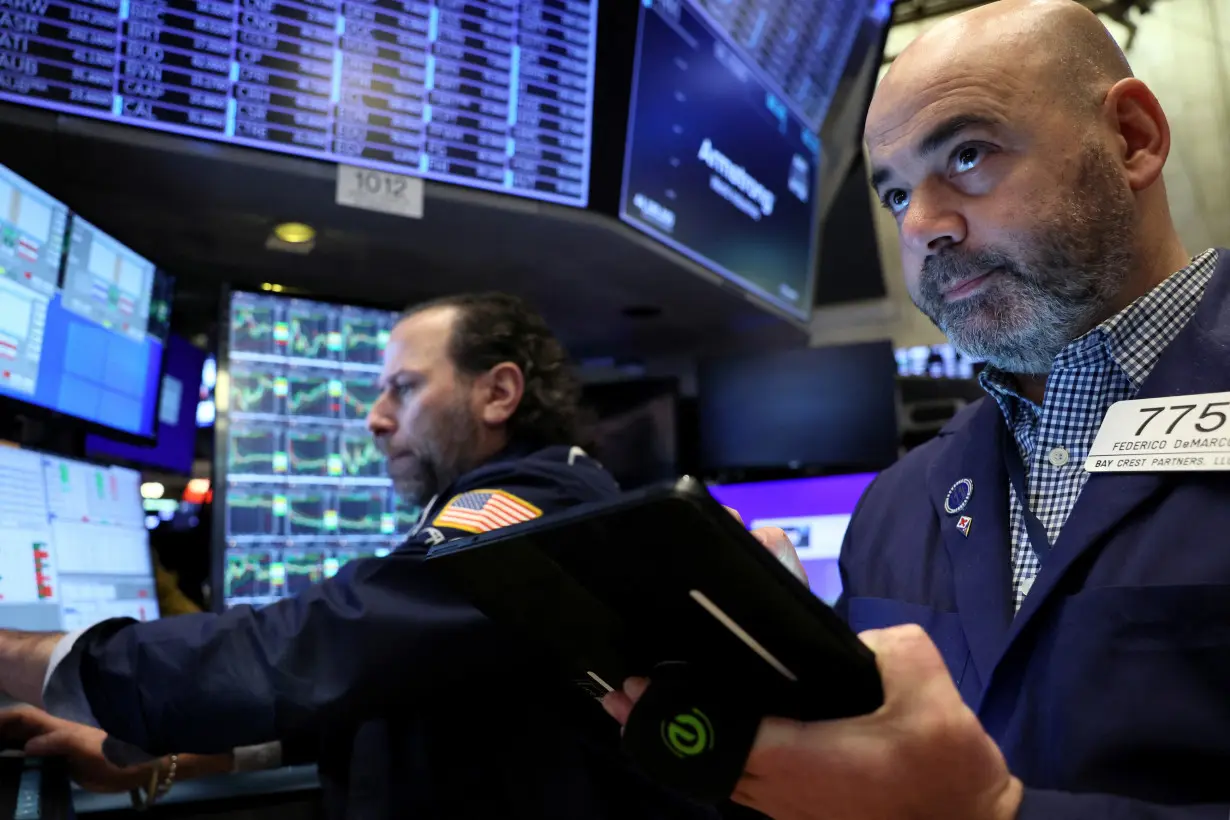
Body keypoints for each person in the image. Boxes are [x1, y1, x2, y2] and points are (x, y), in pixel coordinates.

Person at [605, 0, 1230, 816]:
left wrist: (993, 813)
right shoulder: (895, 509)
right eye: (896, 196)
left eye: (967, 154)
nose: (924, 227)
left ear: (1133, 139)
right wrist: (786, 688)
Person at [0, 292, 715, 819]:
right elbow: (404, 705)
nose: (376, 418)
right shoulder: (554, 494)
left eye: (402, 388)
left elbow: (313, 644)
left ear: (498, 392)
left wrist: (39, 660)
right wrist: (161, 754)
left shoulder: (526, 518)